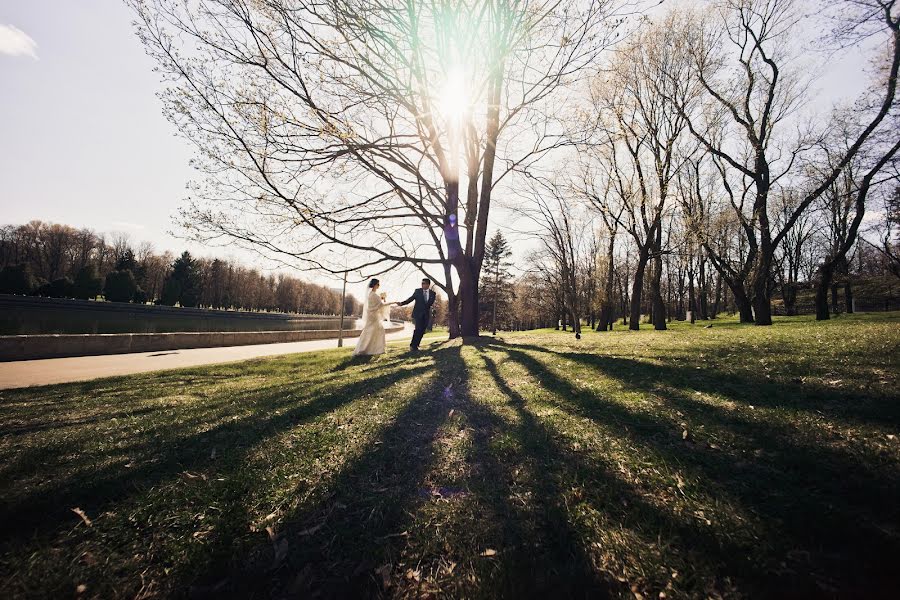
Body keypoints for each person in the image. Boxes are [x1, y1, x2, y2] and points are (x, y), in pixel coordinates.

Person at [353, 278, 394, 356]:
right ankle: (374, 349)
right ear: (375, 285)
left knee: (370, 331)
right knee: (376, 331)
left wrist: (381, 298)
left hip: (372, 316)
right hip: (374, 317)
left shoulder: (371, 294)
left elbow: (377, 304)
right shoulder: (374, 295)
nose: (379, 286)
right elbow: (381, 305)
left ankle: (370, 349)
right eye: (378, 284)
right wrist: (392, 302)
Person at [398, 278, 436, 352]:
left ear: (428, 284)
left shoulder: (433, 293)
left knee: (423, 330)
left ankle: (416, 345)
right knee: (418, 329)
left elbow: (430, 303)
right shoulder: (417, 291)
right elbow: (410, 299)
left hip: (426, 315)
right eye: (422, 283)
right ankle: (413, 346)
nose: (422, 285)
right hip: (418, 314)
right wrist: (402, 303)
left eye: (424, 283)